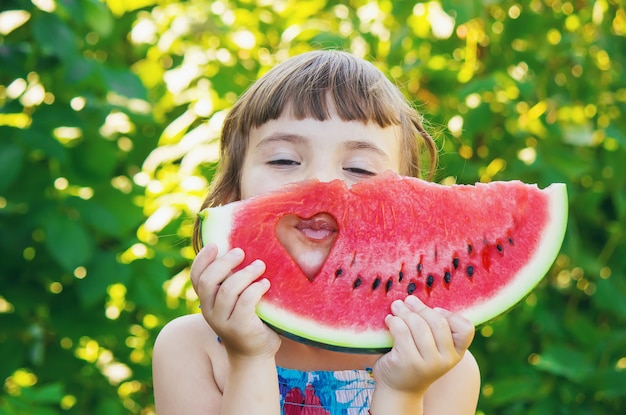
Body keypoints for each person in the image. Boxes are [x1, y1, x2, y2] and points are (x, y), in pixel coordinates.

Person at [152, 50, 480, 414]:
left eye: (360, 168)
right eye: (284, 160)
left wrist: (403, 392)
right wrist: (248, 357)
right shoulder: (190, 348)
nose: (321, 183)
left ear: (407, 211)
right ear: (232, 195)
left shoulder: (443, 366)